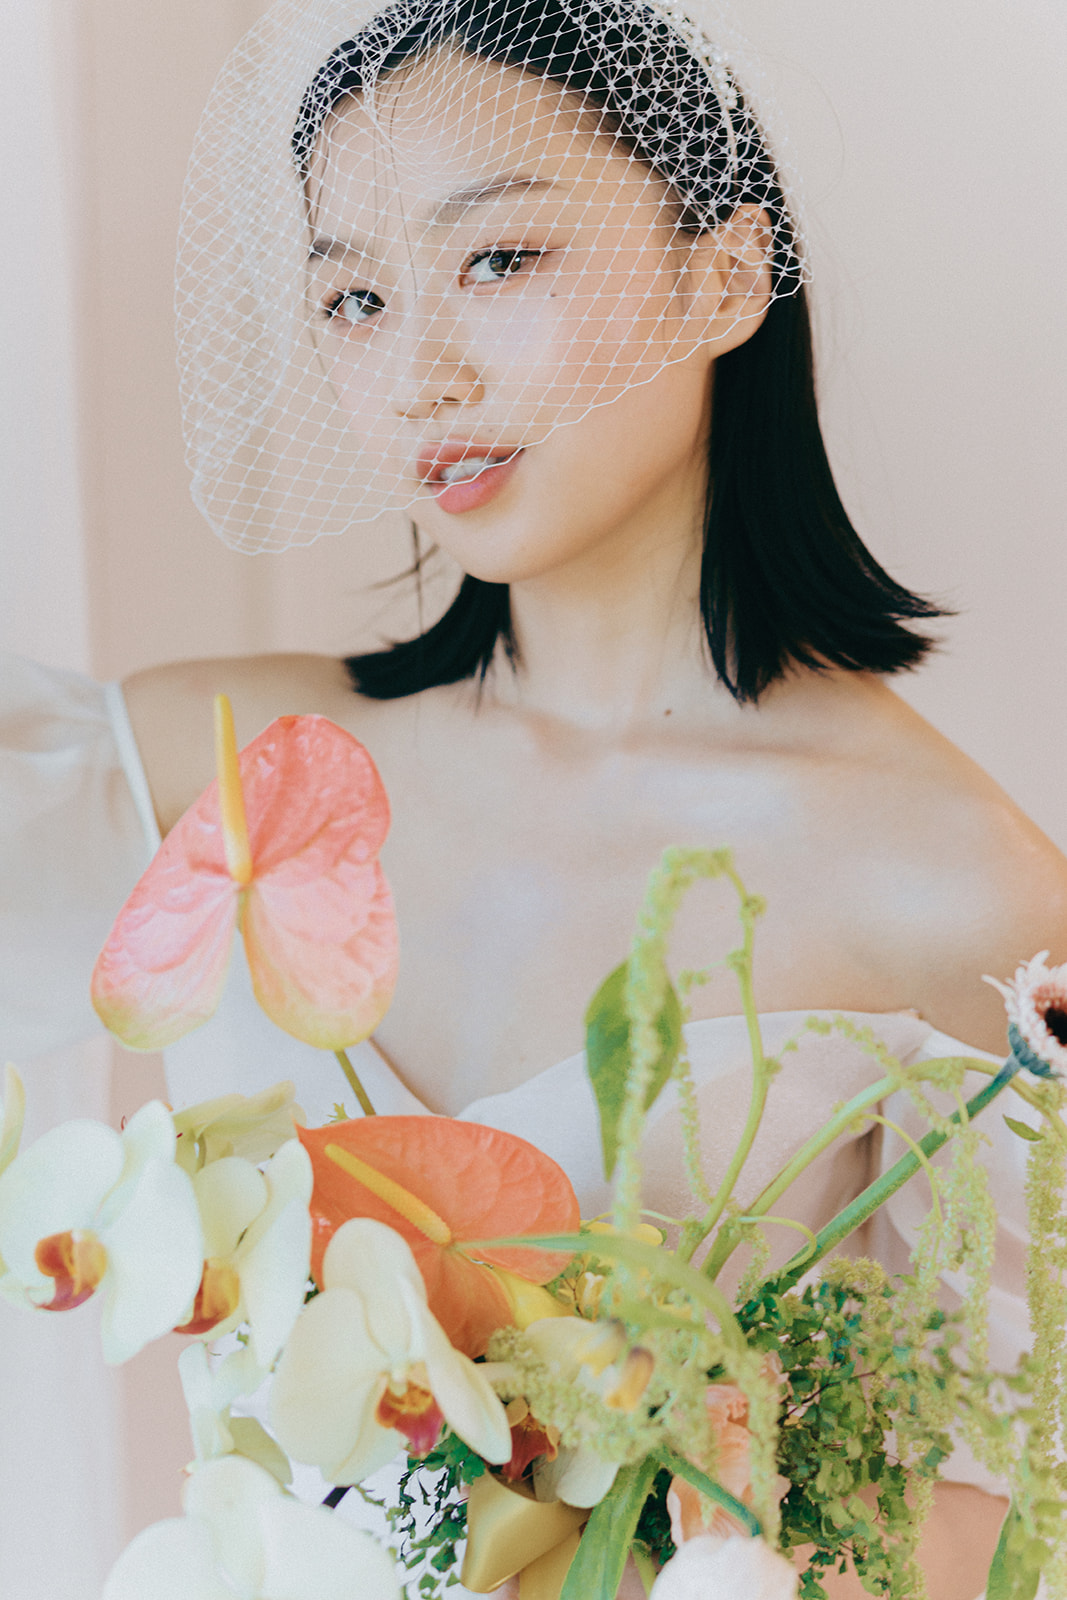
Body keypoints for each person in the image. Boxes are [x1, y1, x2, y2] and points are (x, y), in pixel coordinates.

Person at [3, 0, 1066, 1594]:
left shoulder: (953, 886)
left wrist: (726, 1491)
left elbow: (1026, 1531)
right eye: (353, 298)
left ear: (720, 278)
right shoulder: (203, 768)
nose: (417, 375)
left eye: (496, 263)